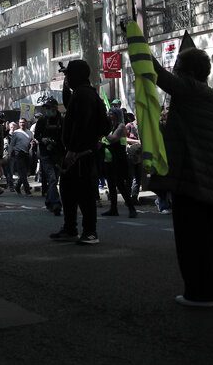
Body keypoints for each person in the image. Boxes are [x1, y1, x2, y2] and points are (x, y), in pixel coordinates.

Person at [148, 48, 213, 307]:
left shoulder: (187, 90)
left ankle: (198, 293)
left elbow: (155, 72)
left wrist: (136, 40)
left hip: (190, 176)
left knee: (191, 238)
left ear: (184, 70)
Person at [51, 60, 106, 245]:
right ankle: (70, 227)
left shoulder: (83, 95)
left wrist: (74, 150)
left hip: (80, 154)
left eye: (69, 75)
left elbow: (82, 125)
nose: (67, 79)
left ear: (77, 75)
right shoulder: (84, 93)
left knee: (85, 193)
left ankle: (90, 232)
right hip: (80, 151)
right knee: (68, 190)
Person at [101, 110, 136, 218]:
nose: (108, 115)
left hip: (118, 161)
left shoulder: (120, 127)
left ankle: (131, 208)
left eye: (111, 113)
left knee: (120, 185)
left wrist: (103, 132)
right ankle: (113, 209)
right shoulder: (110, 126)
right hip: (108, 160)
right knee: (111, 186)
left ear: (116, 115)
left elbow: (113, 139)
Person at [33, 97, 63, 216]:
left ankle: (48, 200)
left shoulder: (62, 120)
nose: (47, 110)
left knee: (54, 179)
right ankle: (56, 203)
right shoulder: (42, 120)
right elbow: (36, 135)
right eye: (46, 108)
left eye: (49, 108)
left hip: (58, 154)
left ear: (55, 108)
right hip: (45, 154)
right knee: (52, 179)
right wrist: (43, 139)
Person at [9, 118, 34, 195]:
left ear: (26, 123)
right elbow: (12, 144)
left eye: (23, 122)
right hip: (18, 154)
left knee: (25, 173)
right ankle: (27, 190)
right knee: (22, 172)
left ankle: (17, 186)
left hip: (26, 154)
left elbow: (32, 142)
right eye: (20, 122)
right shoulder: (16, 133)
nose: (22, 124)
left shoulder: (30, 133)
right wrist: (10, 154)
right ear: (18, 124)